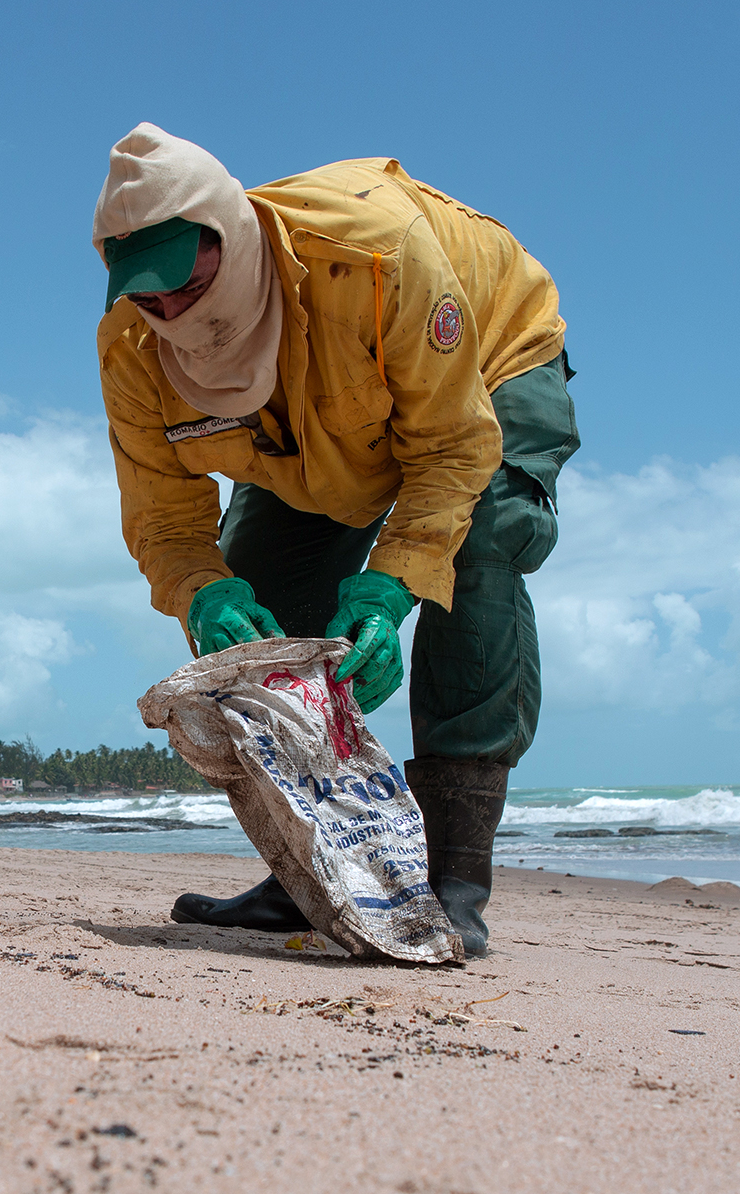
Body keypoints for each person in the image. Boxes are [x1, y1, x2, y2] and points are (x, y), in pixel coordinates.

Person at [93, 125, 579, 957]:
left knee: (479, 545)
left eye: (189, 283)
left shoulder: (376, 259)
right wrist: (203, 592)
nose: (176, 313)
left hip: (485, 361)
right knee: (260, 598)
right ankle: (307, 875)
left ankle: (455, 880)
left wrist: (394, 585)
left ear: (233, 237)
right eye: (151, 297)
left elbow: (452, 450)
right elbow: (164, 517)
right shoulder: (134, 348)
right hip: (319, 431)